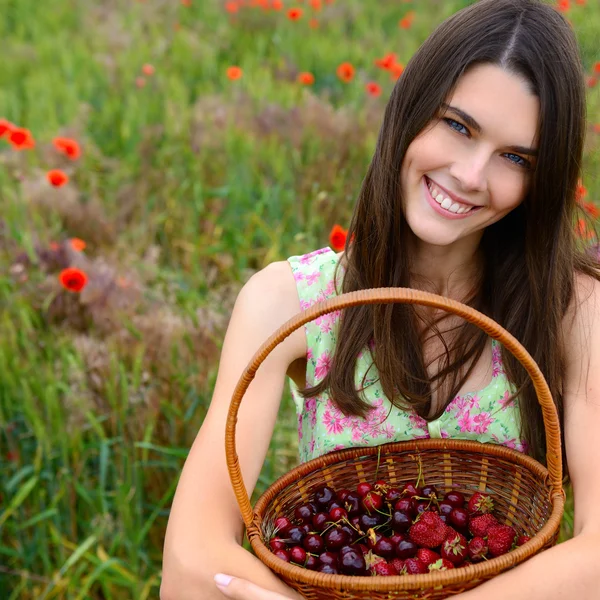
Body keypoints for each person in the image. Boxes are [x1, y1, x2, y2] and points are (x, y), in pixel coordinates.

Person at [160, 0, 600, 598]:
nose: (471, 175)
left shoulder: (575, 311)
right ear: (410, 110)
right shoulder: (288, 301)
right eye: (458, 125)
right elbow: (191, 558)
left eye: (515, 157)